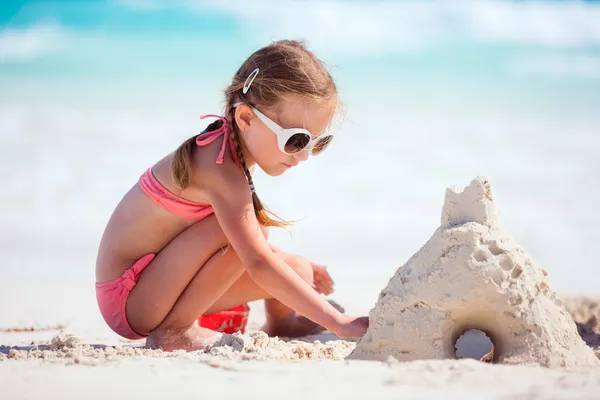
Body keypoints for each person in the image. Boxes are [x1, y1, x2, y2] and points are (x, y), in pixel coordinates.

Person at [95, 39, 369, 351]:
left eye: (317, 143)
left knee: (298, 270)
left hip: (157, 285)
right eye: (296, 140)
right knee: (259, 240)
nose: (304, 156)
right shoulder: (218, 168)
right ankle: (174, 330)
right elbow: (256, 260)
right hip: (130, 298)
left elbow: (249, 249)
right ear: (246, 119)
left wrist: (288, 263)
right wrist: (339, 322)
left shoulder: (232, 153)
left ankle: (281, 323)